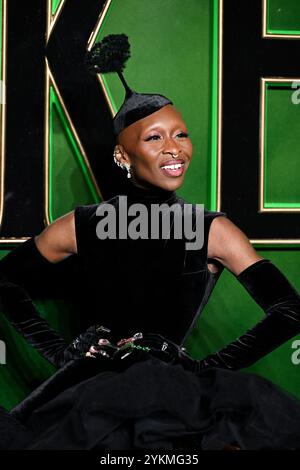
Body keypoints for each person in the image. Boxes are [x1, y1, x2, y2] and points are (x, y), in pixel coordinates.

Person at [1, 33, 300, 450]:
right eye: (154, 137)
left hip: (175, 399)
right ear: (123, 156)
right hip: (88, 397)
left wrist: (206, 368)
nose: (174, 149)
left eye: (181, 134)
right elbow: (5, 281)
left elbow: (290, 309)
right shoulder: (84, 225)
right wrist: (62, 354)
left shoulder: (210, 228)